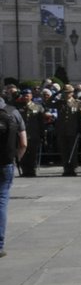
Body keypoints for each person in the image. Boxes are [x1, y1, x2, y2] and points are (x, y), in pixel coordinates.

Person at [0, 93, 24, 257]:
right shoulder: (13, 112)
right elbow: (23, 143)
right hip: (5, 162)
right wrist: (15, 159)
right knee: (1, 201)